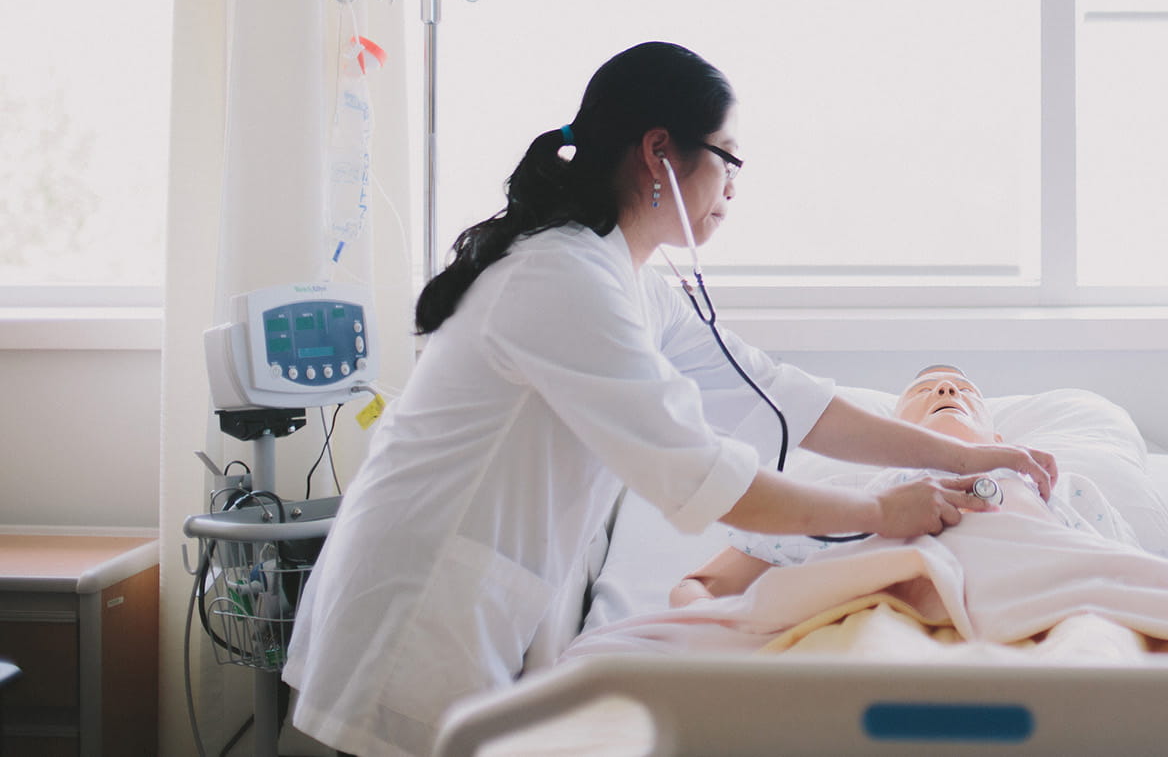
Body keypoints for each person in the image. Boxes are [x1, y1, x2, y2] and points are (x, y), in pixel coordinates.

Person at [282, 42, 1057, 757]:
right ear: (659, 150)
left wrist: (971, 452)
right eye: (729, 160)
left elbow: (783, 396)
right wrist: (883, 512)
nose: (734, 188)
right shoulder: (561, 280)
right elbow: (704, 478)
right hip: (410, 620)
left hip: (470, 608)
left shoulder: (629, 281)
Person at [670, 364, 1141, 606]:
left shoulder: (1064, 491)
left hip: (1040, 626)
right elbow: (698, 587)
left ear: (999, 438)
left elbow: (1136, 581)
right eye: (923, 391)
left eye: (965, 392)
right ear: (891, 433)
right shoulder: (840, 505)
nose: (946, 391)